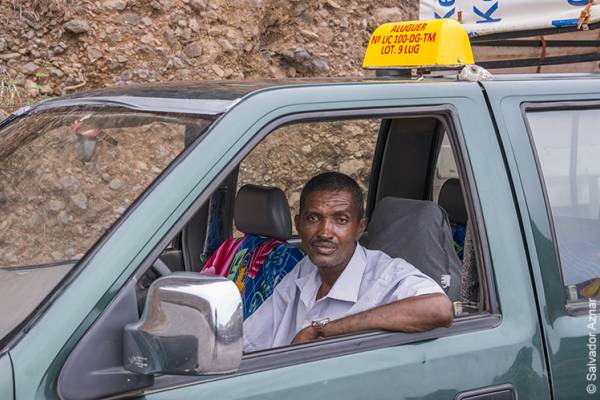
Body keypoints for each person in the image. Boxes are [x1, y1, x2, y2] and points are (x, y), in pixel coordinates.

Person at [243, 172, 453, 352]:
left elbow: (439, 308)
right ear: (298, 224)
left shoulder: (385, 275)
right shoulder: (305, 270)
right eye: (314, 218)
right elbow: (249, 342)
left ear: (360, 228)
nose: (325, 232)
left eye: (341, 220)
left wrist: (324, 329)